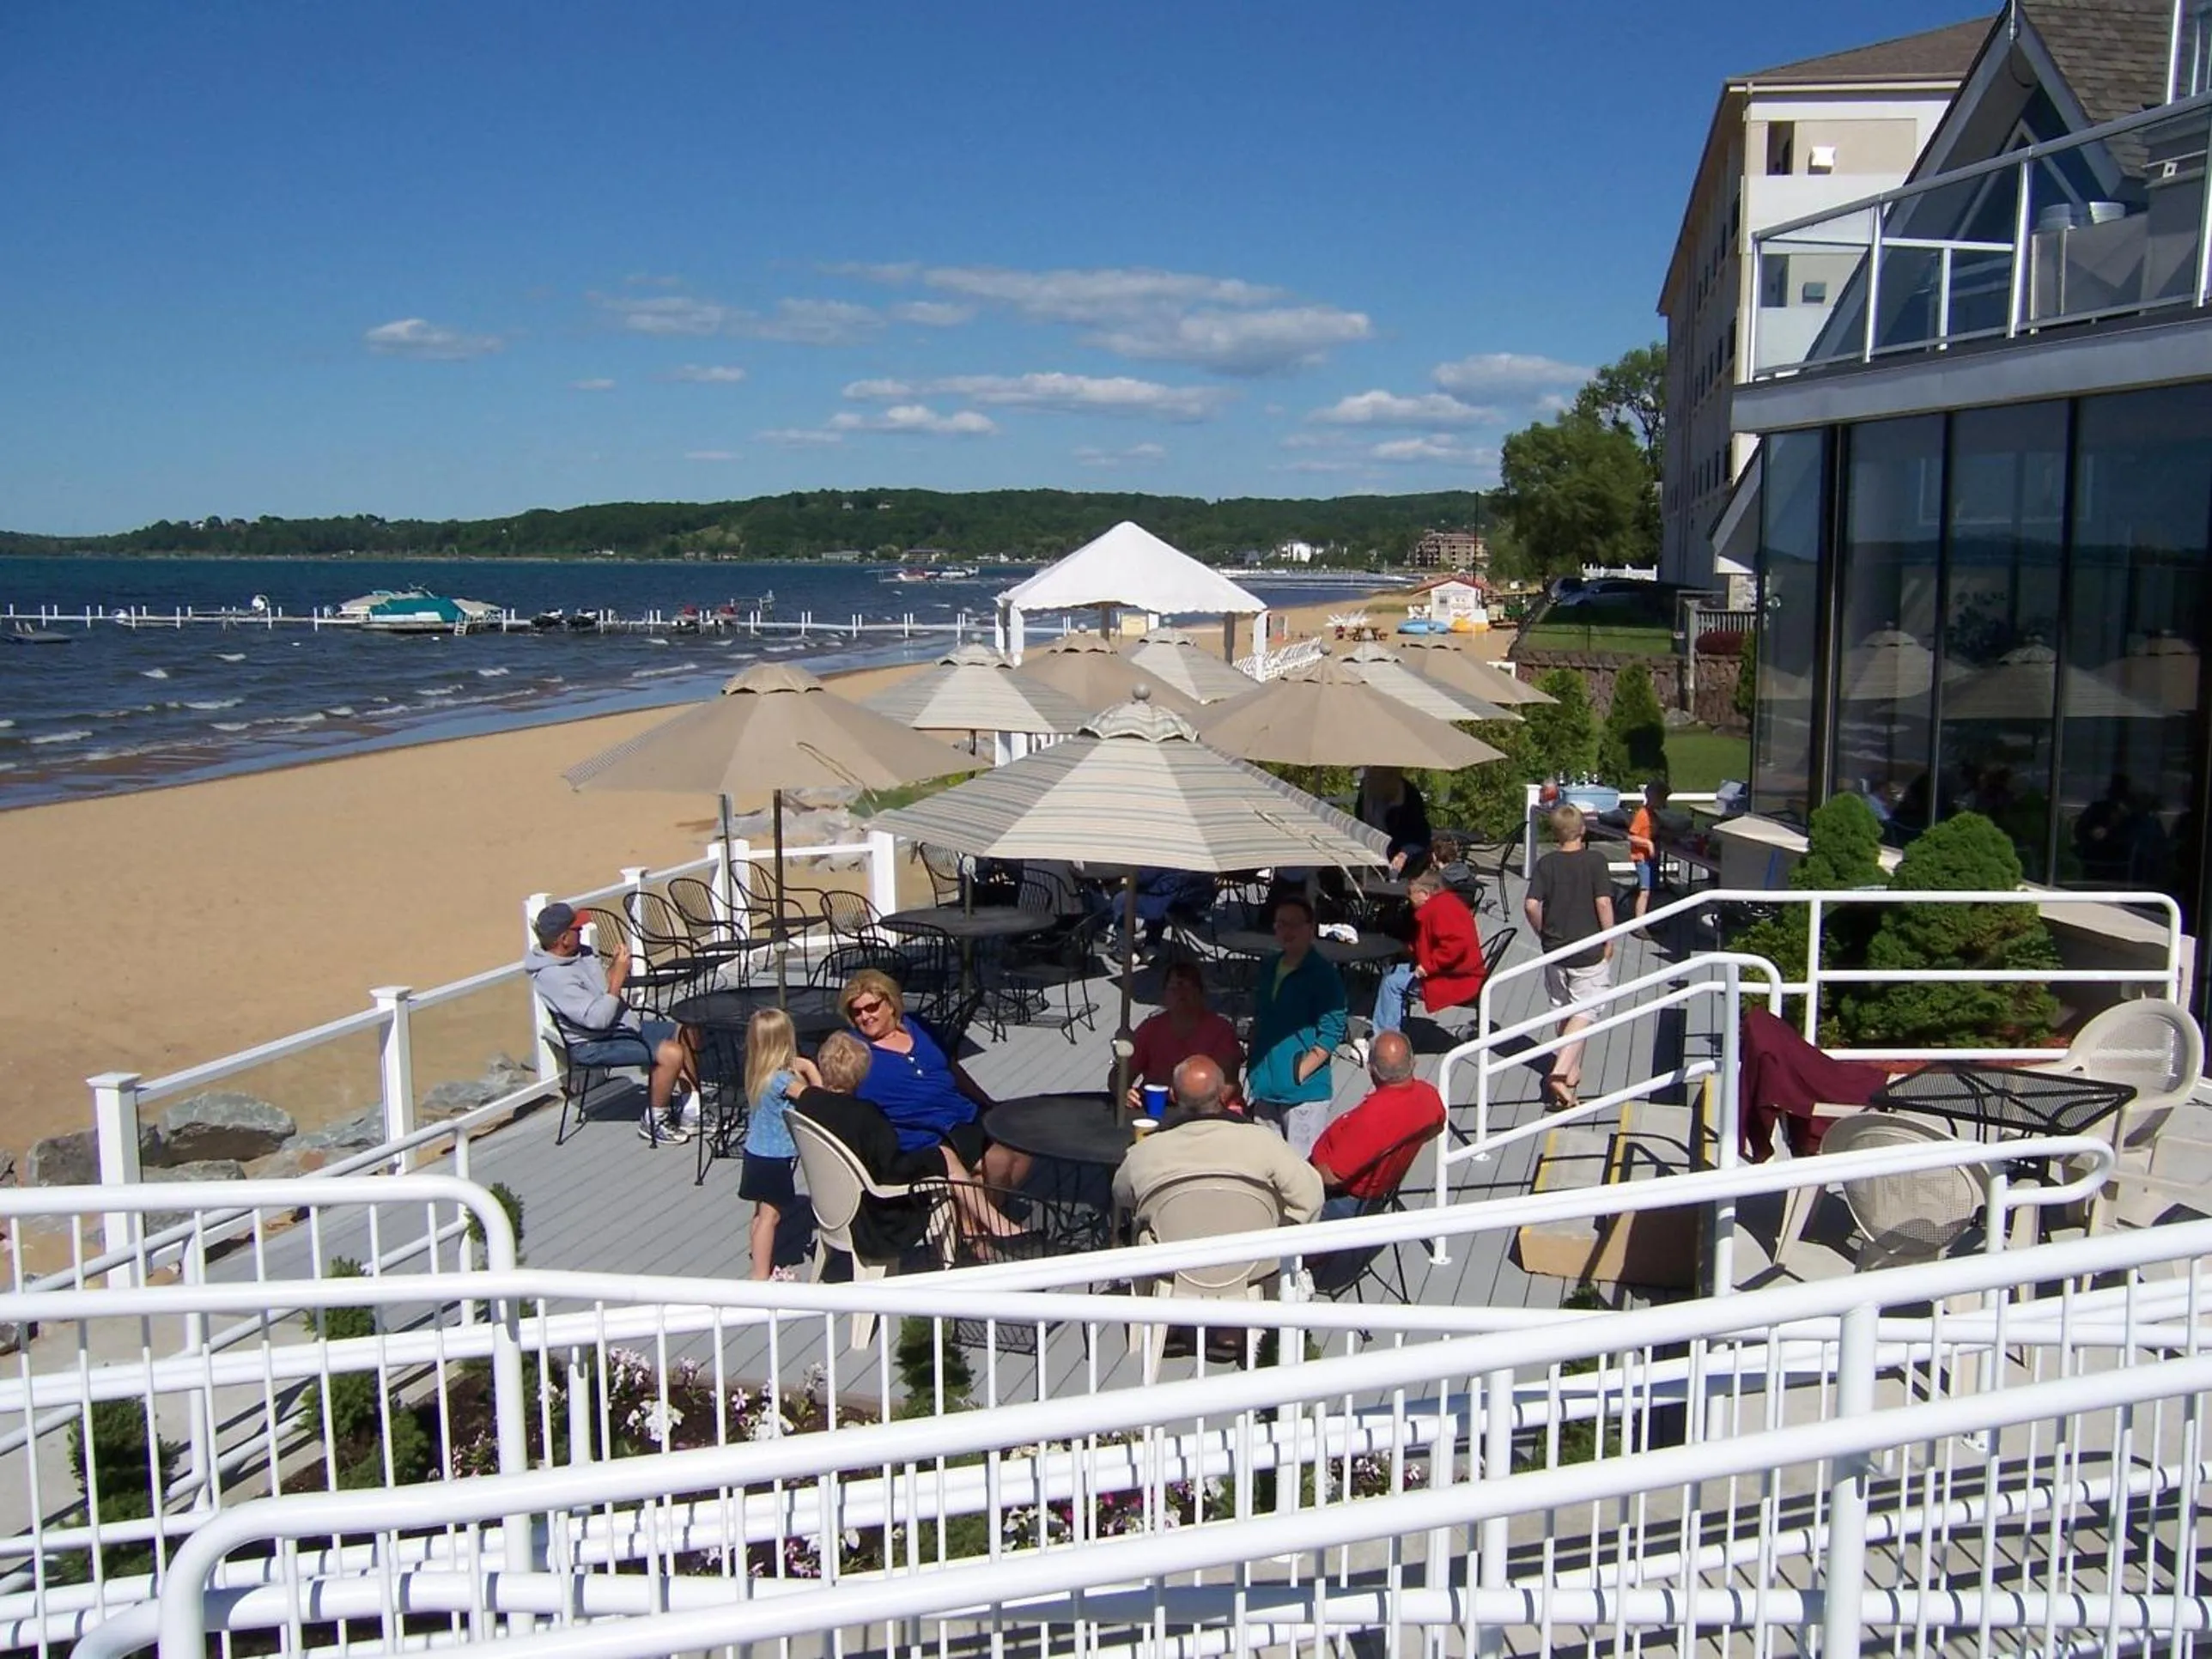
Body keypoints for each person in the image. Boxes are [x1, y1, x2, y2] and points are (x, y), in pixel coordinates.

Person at [789, 1032, 1015, 1266]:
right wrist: (934, 1159)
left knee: (942, 1156)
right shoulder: (867, 1115)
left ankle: (992, 1224)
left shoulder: (810, 1105)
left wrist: (804, 1066)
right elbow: (892, 1168)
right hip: (877, 1216)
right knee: (945, 1157)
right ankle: (983, 1233)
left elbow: (802, 1089)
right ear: (862, 1073)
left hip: (835, 1208)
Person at [524, 900, 697, 1146]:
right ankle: (655, 1120)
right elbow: (597, 1020)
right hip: (593, 1043)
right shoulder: (553, 977)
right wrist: (617, 980)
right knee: (671, 1053)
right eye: (577, 929)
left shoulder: (581, 954)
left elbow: (604, 991)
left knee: (686, 1030)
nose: (582, 932)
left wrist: (616, 968)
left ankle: (691, 1110)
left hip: (621, 1027)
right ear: (563, 938)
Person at [839, 968, 1021, 1187]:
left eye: (871, 1007)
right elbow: (835, 1092)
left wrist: (986, 1101)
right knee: (998, 1160)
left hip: (962, 1114)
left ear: (890, 1003)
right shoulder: (852, 1048)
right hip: (920, 1133)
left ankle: (979, 1215)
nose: (865, 1017)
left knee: (1024, 1140)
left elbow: (951, 1067)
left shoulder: (917, 1025)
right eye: (857, 1012)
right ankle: (978, 1218)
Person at [1111, 1055, 1323, 1242]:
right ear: (1223, 1093)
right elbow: (1311, 1196)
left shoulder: (1147, 1152)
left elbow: (1121, 1194)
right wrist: (1275, 1234)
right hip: (1252, 1270)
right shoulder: (1265, 1143)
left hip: (1172, 1271)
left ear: (1174, 1095)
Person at [1522, 804, 1615, 1114]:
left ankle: (1572, 1071)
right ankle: (1561, 1074)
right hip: (1588, 951)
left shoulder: (1546, 864)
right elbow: (1603, 902)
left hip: (1556, 951)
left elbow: (1532, 905)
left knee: (1565, 1011)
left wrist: (1543, 933)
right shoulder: (1596, 861)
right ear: (1583, 830)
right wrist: (1609, 937)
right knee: (1588, 1010)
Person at [1244, 895, 1348, 1155]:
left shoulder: (1323, 974)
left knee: (1299, 1174)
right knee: (1266, 1167)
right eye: (1280, 924)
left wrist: (1302, 1070)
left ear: (1309, 928)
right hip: (1264, 1085)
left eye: (1293, 924)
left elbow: (1333, 1029)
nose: (1286, 931)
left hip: (1303, 1094)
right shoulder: (1269, 967)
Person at [1310, 1030, 1446, 1220]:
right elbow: (1436, 1127)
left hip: (1341, 1201)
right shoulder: (1429, 1096)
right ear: (1414, 1063)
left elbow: (1332, 1176)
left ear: (1371, 1069)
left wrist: (1298, 1179)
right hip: (1377, 1195)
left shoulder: (1373, 1118)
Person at [738, 1006, 821, 1282]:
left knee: (759, 1216)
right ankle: (760, 1277)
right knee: (770, 1219)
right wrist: (810, 1068)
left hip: (755, 1153)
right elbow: (815, 1100)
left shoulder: (759, 1073)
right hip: (773, 1158)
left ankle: (761, 1264)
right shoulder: (783, 1081)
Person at [1364, 866, 1486, 1052]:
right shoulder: (1445, 904)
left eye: (1411, 893)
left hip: (1456, 978)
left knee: (1391, 984)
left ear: (1425, 894)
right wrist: (1411, 950)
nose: (1408, 898)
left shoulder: (1441, 910)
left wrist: (1429, 966)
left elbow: (1455, 945)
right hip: (1453, 971)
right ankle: (1393, 1030)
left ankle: (1385, 1043)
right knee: (1394, 971)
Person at [1116, 959, 1245, 1109]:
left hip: (1212, 1109)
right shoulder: (1151, 1027)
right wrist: (1122, 1091)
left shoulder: (1221, 1030)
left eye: (1189, 987)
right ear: (1164, 995)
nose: (1181, 994)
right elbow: (1121, 1074)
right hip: (1159, 1107)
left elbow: (1229, 1084)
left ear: (1201, 994)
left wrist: (1195, 1101)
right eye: (1174, 988)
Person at [1356, 766, 1431, 875]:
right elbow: (1360, 822)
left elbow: (1421, 834)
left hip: (1403, 864)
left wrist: (1404, 853)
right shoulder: (1367, 793)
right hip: (1372, 858)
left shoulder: (1409, 796)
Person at [1626, 778, 1671, 925]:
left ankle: (1649, 918)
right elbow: (1631, 836)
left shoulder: (1654, 815)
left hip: (1651, 857)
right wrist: (1648, 843)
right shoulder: (1642, 815)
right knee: (1645, 891)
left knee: (1652, 888)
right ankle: (1639, 923)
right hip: (1642, 857)